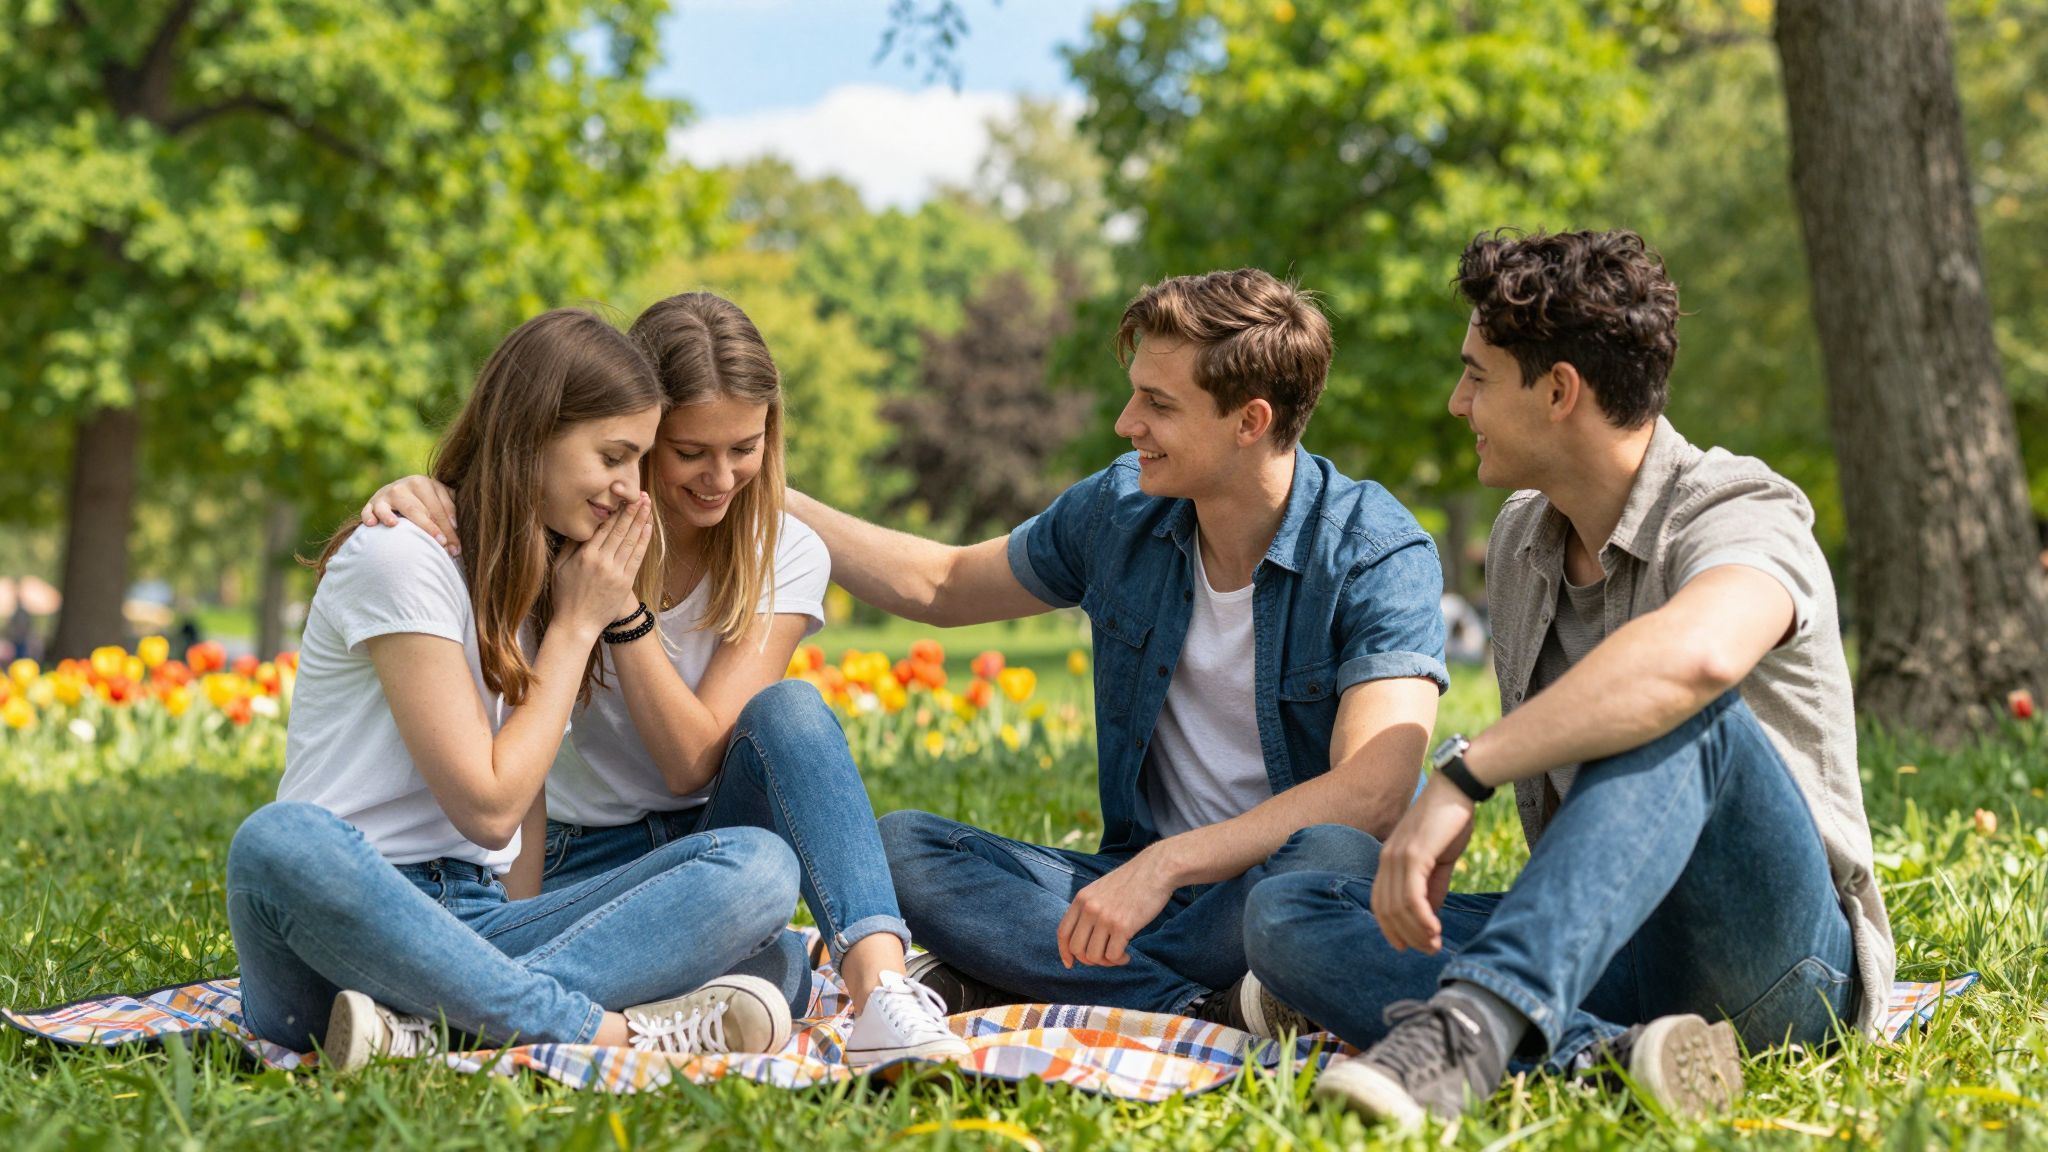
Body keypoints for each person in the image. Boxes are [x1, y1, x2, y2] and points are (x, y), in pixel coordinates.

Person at [1244, 230, 1895, 1125]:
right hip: (1603, 945)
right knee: (1290, 910)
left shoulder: (1743, 507)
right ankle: (1606, 1056)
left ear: (1558, 391)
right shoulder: (1519, 540)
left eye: (1476, 376)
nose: (1454, 401)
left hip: (1780, 966)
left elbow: (1695, 660)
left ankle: (1468, 1030)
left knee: (1676, 708)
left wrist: (1467, 772)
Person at [786, 269, 1449, 1030]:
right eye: (1135, 393)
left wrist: (1167, 865)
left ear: (1250, 421)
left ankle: (1034, 975)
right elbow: (940, 585)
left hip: (1267, 892)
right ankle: (1201, 1006)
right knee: (902, 850)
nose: (1126, 423)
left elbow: (1374, 790)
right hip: (1128, 891)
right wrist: (776, 497)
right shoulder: (1120, 510)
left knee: (1332, 861)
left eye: (1159, 405)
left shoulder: (1374, 551)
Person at [360, 293, 967, 1066]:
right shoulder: (558, 529)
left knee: (791, 713)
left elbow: (692, 760)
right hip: (581, 858)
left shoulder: (785, 549)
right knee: (772, 975)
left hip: (723, 840)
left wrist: (620, 612)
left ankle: (881, 996)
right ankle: (498, 1000)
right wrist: (411, 494)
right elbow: (517, 732)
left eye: (745, 448)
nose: (722, 478)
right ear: (641, 436)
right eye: (690, 453)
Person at [226, 309, 804, 1069]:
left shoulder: (541, 571)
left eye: (641, 461)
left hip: (476, 924)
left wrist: (502, 945)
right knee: (279, 841)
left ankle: (434, 1030)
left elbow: (523, 806)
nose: (634, 491)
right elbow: (490, 804)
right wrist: (574, 628)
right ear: (531, 436)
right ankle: (598, 1031)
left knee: (760, 870)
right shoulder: (403, 557)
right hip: (338, 926)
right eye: (614, 457)